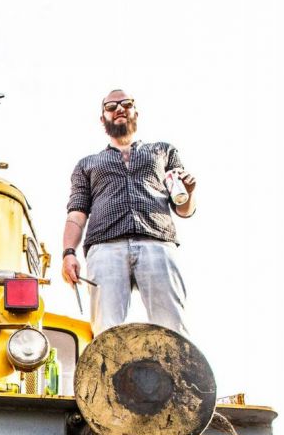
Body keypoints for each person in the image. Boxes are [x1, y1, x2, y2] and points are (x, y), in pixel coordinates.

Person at [61, 89, 197, 336]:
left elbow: (184, 209)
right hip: (104, 246)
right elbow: (76, 213)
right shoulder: (87, 164)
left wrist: (189, 193)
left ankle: (175, 364)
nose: (119, 109)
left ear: (136, 112)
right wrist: (68, 253)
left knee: (172, 329)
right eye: (111, 107)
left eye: (126, 103)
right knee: (106, 332)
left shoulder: (164, 151)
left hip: (157, 242)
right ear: (103, 118)